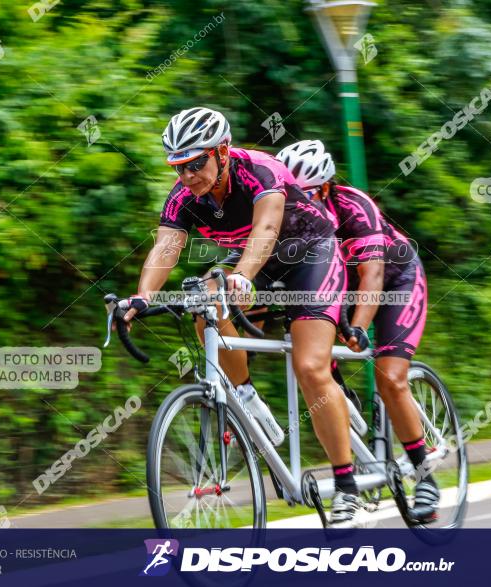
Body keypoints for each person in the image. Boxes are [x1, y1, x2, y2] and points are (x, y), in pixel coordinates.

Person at [121, 108, 367, 527]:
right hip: (253, 262)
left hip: (310, 254)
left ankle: (347, 489)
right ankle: (247, 399)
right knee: (202, 302)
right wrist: (141, 297)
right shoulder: (184, 197)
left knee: (309, 366)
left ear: (222, 151)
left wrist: (242, 277)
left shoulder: (260, 170)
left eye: (195, 163)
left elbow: (267, 230)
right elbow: (165, 247)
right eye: (178, 166)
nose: (186, 175)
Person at [277, 139, 439, 520]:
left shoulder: (353, 206)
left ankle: (425, 474)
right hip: (337, 286)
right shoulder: (288, 217)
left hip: (395, 281)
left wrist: (360, 327)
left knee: (390, 376)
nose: (302, 203)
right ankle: (349, 426)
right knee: (315, 364)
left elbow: (373, 275)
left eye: (310, 194)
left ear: (327, 187)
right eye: (292, 196)